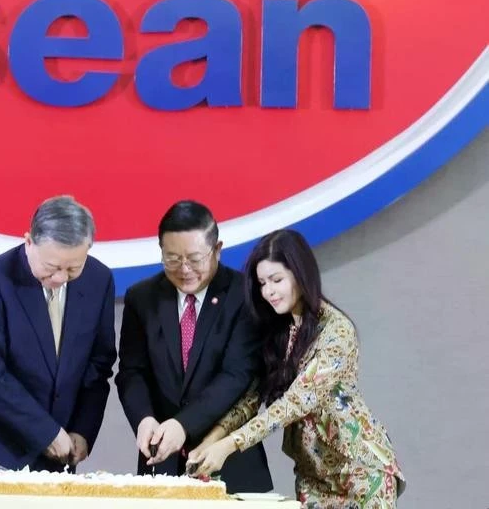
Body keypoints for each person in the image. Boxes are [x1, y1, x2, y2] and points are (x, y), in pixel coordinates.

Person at [187, 229, 406, 507]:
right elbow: (252, 399)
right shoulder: (278, 332)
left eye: (276, 280)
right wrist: (212, 440)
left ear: (301, 275)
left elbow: (296, 402)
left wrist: (230, 445)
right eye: (262, 283)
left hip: (360, 473)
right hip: (311, 477)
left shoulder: (337, 331)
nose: (268, 291)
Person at [0, 195, 116, 487]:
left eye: (73, 268)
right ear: (29, 242)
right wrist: (46, 432)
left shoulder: (99, 280)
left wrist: (83, 430)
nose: (61, 277)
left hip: (57, 460)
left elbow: (98, 366)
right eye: (51, 266)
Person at [115, 200, 273, 493]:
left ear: (217, 249)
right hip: (160, 464)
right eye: (172, 259)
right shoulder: (142, 298)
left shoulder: (245, 296)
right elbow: (131, 372)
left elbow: (237, 375)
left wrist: (182, 425)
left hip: (230, 463)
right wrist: (144, 418)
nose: (184, 269)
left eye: (194, 258)